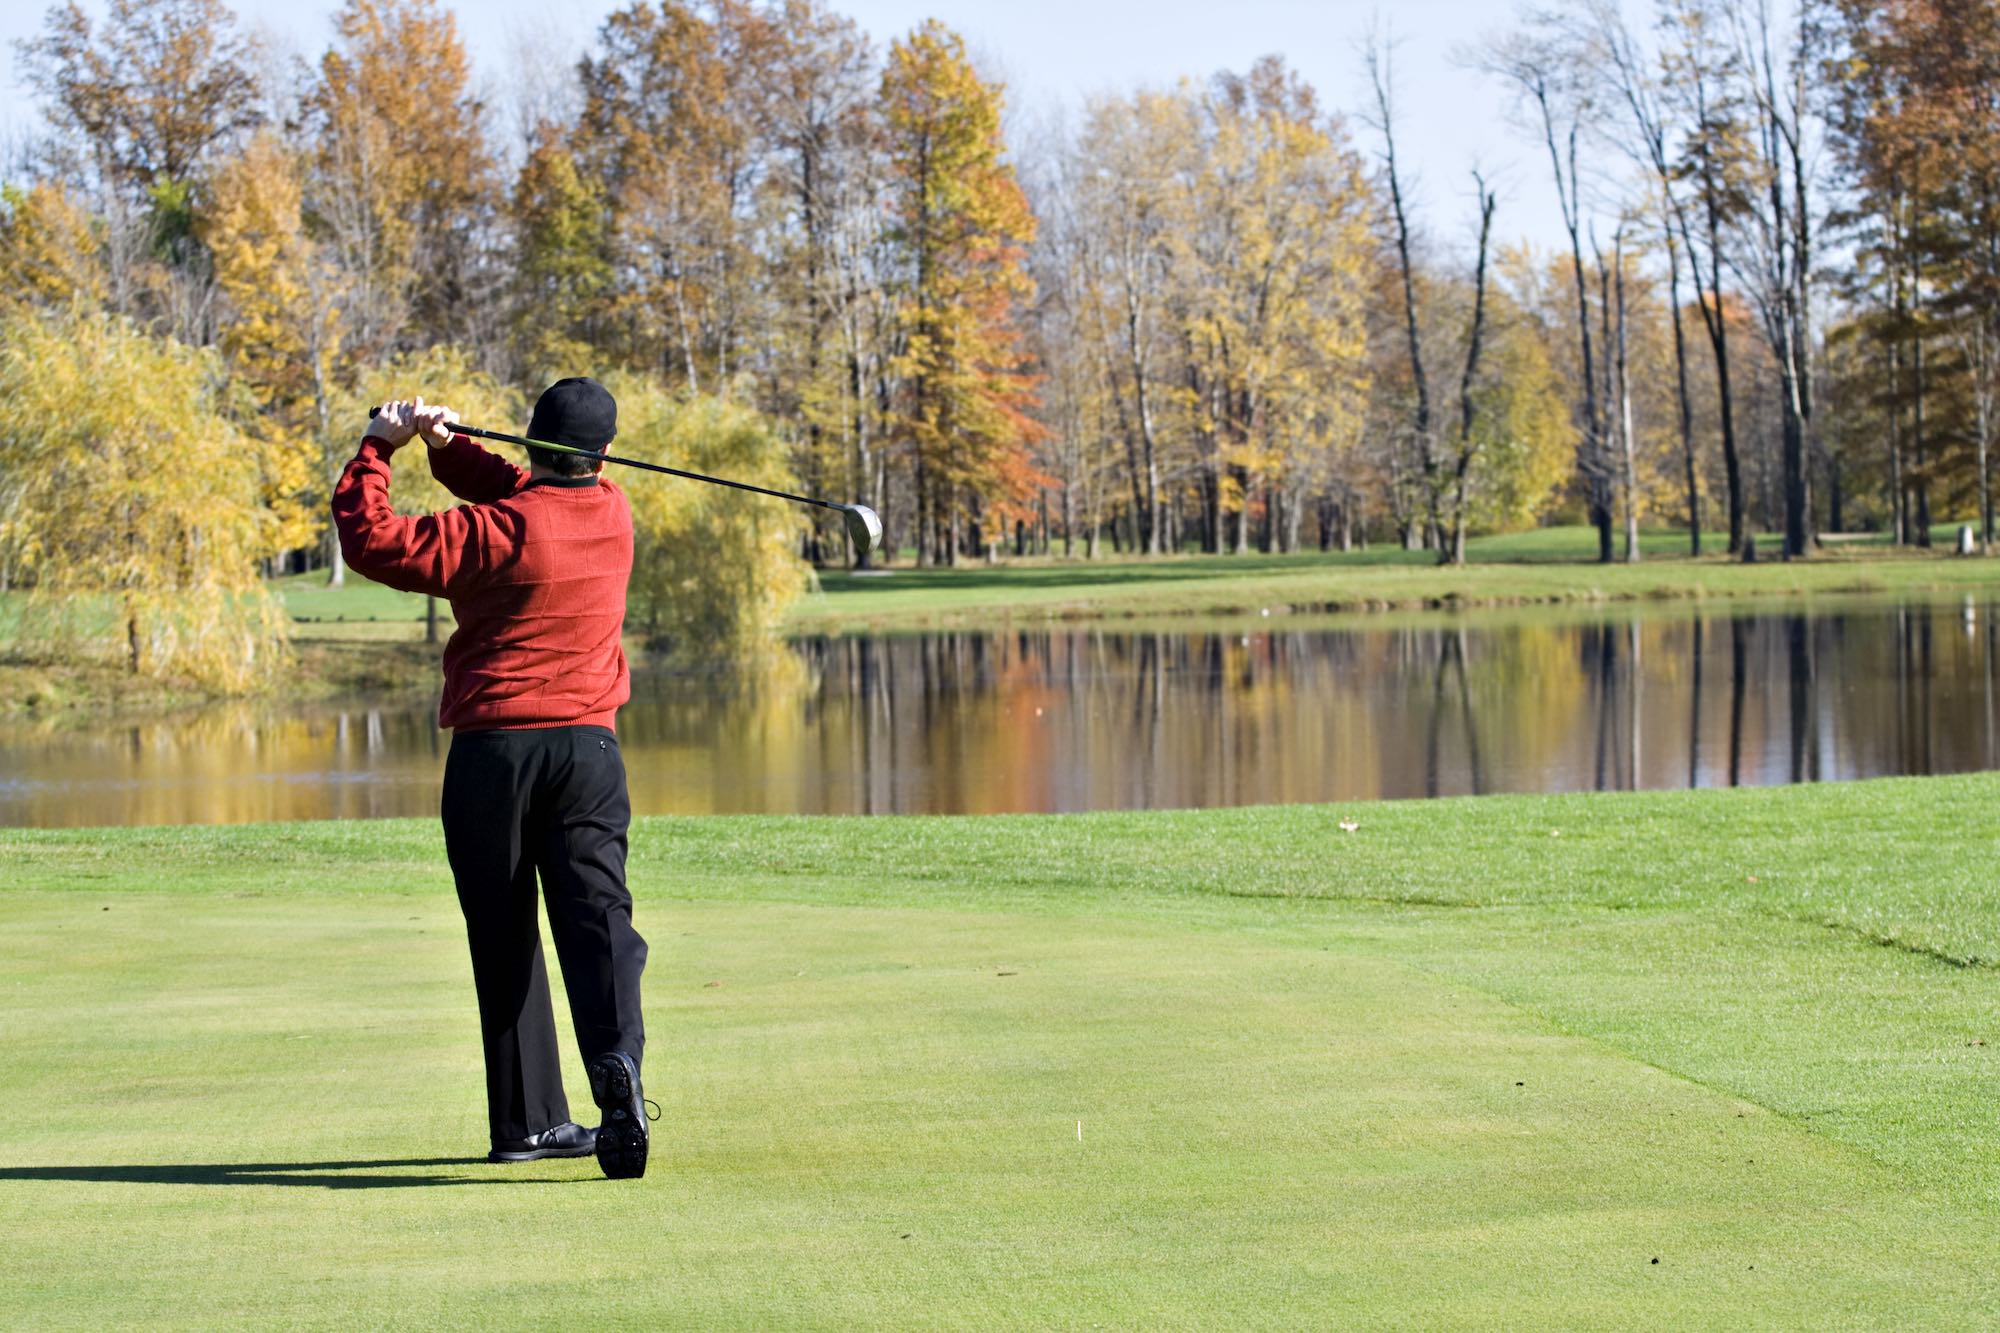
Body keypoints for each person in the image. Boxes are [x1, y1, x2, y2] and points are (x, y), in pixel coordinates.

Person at [331, 377, 652, 1180]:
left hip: (492, 758)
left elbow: (372, 540)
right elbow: (529, 491)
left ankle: (527, 1122)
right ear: (604, 455)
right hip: (587, 753)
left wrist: (381, 446)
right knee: (599, 919)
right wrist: (447, 448)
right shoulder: (613, 515)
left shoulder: (490, 531)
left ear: (533, 443)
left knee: (505, 937)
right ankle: (617, 1059)